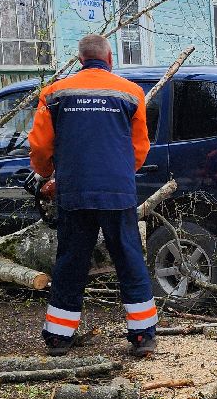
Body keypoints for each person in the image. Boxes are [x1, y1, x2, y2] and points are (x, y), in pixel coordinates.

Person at [28, 34, 160, 357]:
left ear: (80, 60)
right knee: (129, 258)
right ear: (110, 58)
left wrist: (47, 174)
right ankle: (142, 336)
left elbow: (41, 146)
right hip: (117, 191)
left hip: (75, 190)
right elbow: (140, 147)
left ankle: (59, 337)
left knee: (71, 260)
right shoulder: (131, 93)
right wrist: (122, 172)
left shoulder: (54, 93)